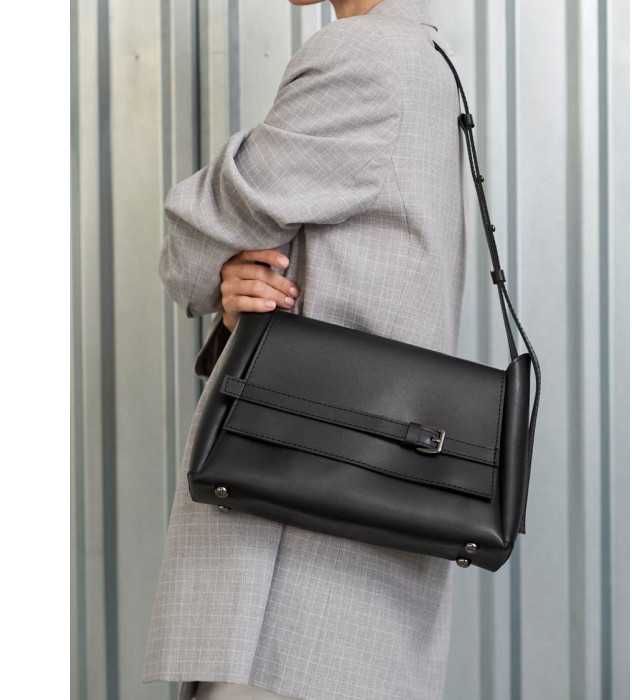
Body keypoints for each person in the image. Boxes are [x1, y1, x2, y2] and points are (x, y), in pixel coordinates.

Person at [142, 1, 467, 698]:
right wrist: (244, 283)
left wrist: (217, 262)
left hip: (296, 565)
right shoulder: (431, 59)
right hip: (361, 539)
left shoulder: (363, 55)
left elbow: (195, 235)